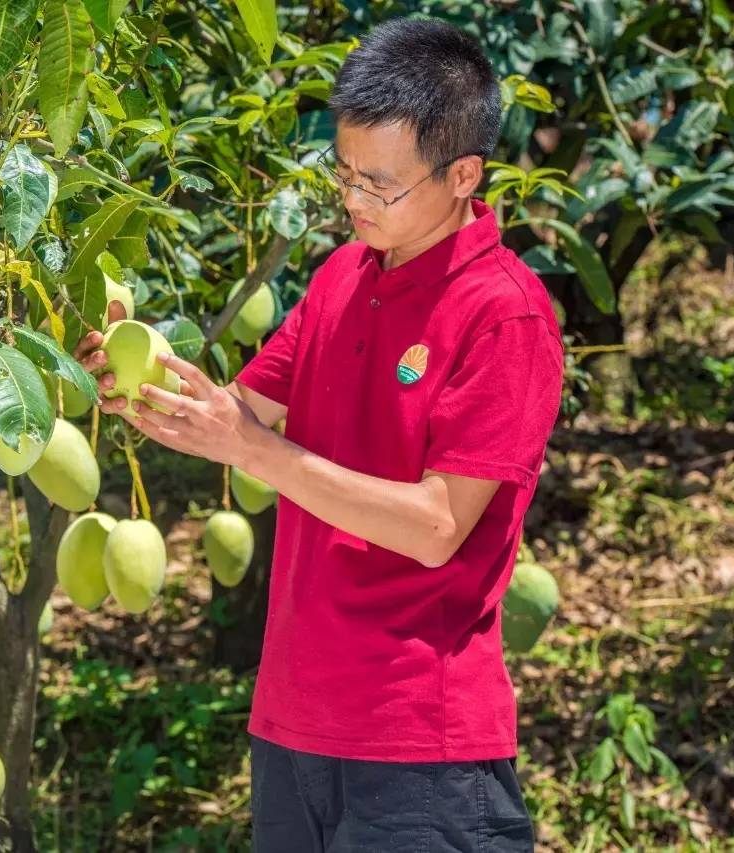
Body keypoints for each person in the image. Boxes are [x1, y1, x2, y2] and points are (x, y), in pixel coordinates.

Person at [75, 17, 562, 852]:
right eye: (344, 175)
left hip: (420, 747)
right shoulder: (343, 276)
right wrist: (130, 372)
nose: (354, 201)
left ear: (463, 175)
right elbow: (235, 418)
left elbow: (437, 526)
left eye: (382, 185)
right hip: (293, 729)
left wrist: (259, 452)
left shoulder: (505, 314)